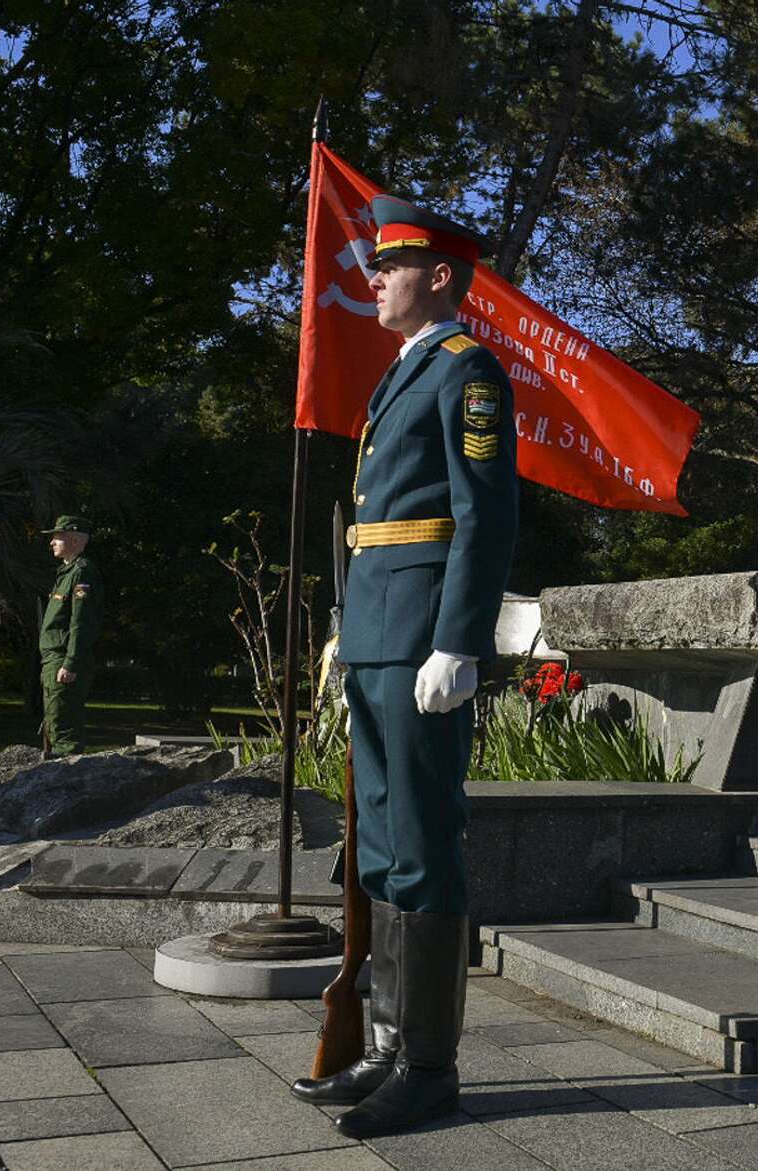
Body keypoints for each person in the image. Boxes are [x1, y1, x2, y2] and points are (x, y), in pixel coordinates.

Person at [287, 195, 518, 1140]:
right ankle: (384, 1044)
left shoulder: (467, 373)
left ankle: (430, 1067)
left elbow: (484, 514)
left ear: (442, 277)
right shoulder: (405, 372)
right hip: (382, 632)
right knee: (378, 848)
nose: (374, 279)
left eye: (393, 265)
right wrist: (351, 627)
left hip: (425, 635)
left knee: (422, 844)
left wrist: (458, 640)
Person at [37, 516, 101, 757]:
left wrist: (71, 662)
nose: (52, 542)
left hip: (64, 659)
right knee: (54, 723)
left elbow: (80, 622)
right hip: (54, 659)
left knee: (64, 729)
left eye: (57, 536)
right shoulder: (66, 573)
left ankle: (67, 784)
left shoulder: (82, 572)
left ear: (74, 539)